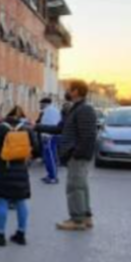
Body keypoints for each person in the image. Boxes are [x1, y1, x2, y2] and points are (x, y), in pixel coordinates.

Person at [0, 106, 36, 246]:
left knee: (2, 201)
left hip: (2, 168)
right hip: (21, 168)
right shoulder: (27, 128)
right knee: (21, 201)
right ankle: (21, 233)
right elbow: (36, 149)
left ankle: (0, 235)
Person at [54, 80, 98, 231]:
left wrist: (75, 153)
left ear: (76, 91)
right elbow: (61, 129)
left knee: (75, 187)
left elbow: (88, 136)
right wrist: (36, 127)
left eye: (69, 89)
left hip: (78, 156)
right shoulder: (76, 109)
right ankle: (86, 217)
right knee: (81, 186)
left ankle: (77, 220)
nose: (66, 91)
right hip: (76, 155)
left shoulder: (84, 109)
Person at [38, 97, 63, 185]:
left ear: (45, 103)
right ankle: (50, 175)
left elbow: (50, 124)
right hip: (50, 136)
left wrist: (46, 135)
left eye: (41, 104)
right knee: (49, 156)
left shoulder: (50, 111)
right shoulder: (51, 110)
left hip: (49, 136)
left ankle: (53, 177)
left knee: (50, 157)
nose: (40, 106)